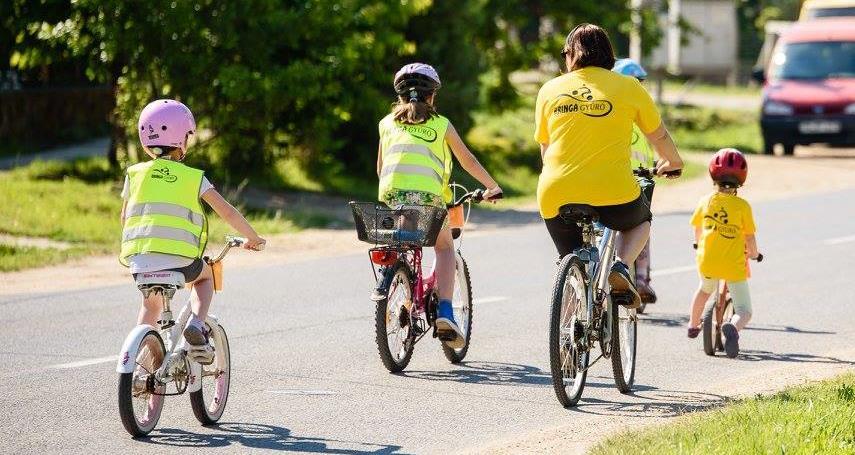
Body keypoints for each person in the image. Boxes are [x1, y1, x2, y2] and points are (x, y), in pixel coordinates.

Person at [534, 24, 683, 308]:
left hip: (556, 192)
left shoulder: (549, 89)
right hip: (614, 190)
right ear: (609, 56)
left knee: (570, 263)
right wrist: (673, 162)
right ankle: (622, 266)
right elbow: (658, 135)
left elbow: (546, 148)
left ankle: (568, 325)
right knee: (641, 220)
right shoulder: (628, 87)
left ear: (570, 56)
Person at [120, 99, 266, 363]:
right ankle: (197, 324)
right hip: (181, 261)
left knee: (150, 305)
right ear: (181, 139)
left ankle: (140, 366)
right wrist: (252, 237)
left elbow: (125, 217)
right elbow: (227, 211)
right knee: (205, 277)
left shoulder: (134, 174)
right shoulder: (193, 177)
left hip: (140, 261)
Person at [377, 63, 502, 347]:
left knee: (405, 241)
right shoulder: (441, 124)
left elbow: (380, 168)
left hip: (394, 199)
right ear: (432, 96)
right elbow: (467, 159)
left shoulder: (386, 124)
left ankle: (404, 285)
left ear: (399, 96)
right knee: (444, 248)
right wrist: (492, 187)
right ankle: (445, 309)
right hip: (430, 200)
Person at [687, 148, 759, 358]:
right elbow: (749, 238)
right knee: (745, 309)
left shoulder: (705, 201)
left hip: (707, 260)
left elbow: (697, 229)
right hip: (733, 265)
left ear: (713, 175)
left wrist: (697, 243)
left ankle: (692, 324)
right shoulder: (743, 206)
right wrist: (754, 254)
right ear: (741, 179)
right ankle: (733, 327)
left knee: (704, 289)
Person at [612, 58, 657, 304]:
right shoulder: (630, 114)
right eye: (633, 82)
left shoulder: (634, 113)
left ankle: (641, 281)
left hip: (641, 179)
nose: (638, 87)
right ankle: (639, 278)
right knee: (641, 226)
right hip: (629, 182)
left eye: (640, 83)